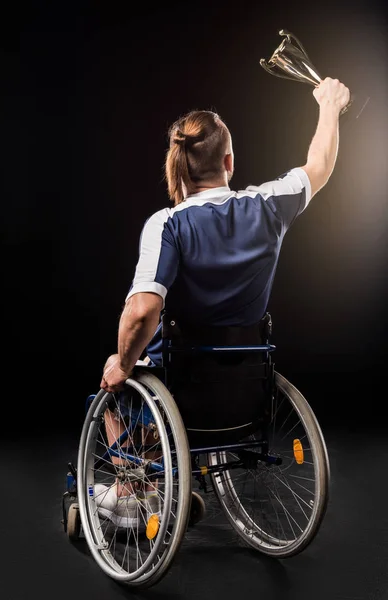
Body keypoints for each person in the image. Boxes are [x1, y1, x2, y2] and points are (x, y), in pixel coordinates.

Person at [94, 77, 350, 526]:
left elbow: (140, 312)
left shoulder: (167, 224)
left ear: (179, 167)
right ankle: (158, 484)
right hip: (246, 392)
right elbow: (321, 164)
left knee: (117, 380)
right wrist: (329, 106)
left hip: (181, 390)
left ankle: (132, 492)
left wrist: (122, 362)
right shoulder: (269, 205)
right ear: (228, 162)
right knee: (147, 372)